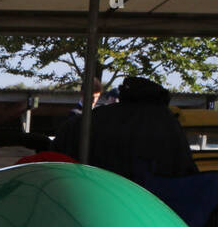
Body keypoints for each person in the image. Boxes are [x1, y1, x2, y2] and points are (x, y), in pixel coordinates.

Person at [53, 75, 196, 181]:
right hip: (150, 200)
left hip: (90, 192)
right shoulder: (167, 123)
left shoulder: (87, 120)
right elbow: (184, 170)